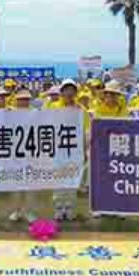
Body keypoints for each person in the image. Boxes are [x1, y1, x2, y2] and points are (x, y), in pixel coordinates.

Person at [53, 79, 83, 221]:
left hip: (74, 150)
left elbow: (86, 130)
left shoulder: (80, 110)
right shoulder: (53, 108)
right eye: (66, 89)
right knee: (58, 179)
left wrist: (84, 147)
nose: (69, 93)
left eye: (72, 90)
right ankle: (58, 208)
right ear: (62, 92)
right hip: (58, 150)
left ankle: (70, 209)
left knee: (72, 180)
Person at [8, 89, 39, 222]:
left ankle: (29, 212)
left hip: (31, 152)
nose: (23, 102)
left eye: (26, 99)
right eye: (21, 99)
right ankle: (16, 211)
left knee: (30, 185)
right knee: (16, 184)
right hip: (16, 153)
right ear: (16, 101)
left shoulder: (35, 113)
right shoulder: (11, 113)